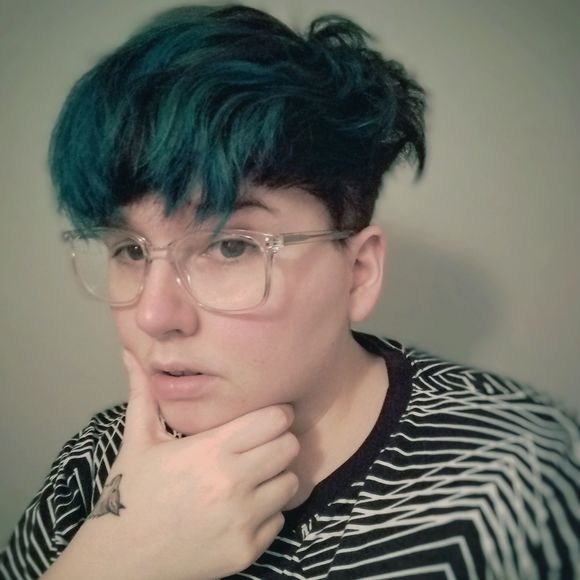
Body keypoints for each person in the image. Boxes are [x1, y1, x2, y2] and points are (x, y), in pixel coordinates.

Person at [1, 4, 578, 579]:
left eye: (230, 246)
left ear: (358, 272)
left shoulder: (510, 482)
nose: (153, 315)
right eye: (129, 250)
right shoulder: (101, 458)